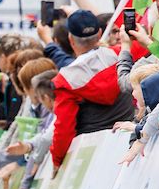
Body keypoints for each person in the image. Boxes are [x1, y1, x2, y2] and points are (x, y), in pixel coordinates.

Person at [50, 10, 136, 169]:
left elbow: (64, 128)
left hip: (89, 156)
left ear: (71, 39)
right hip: (130, 144)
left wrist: (57, 161)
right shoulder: (122, 55)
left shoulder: (65, 80)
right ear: (100, 34)